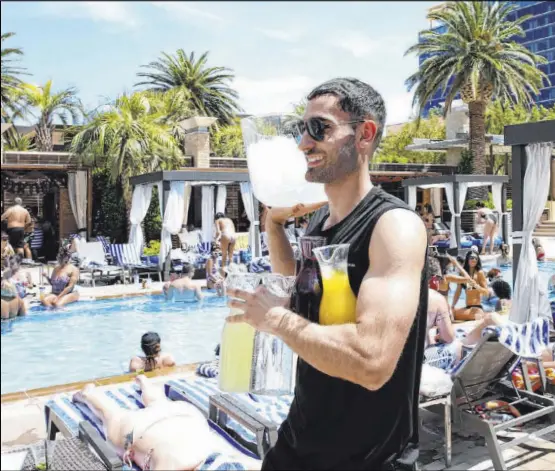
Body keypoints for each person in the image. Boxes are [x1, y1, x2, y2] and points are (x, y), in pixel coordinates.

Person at [226, 78, 427, 470]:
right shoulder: (318, 221)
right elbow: (298, 286)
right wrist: (273, 226)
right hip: (300, 441)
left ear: (364, 134)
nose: (303, 143)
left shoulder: (393, 226)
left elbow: (372, 362)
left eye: (319, 129)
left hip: (366, 458)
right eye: (303, 130)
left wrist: (276, 319)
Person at [72, 375, 245, 470]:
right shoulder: (174, 465)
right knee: (111, 415)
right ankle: (88, 395)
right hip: (141, 429)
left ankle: (146, 384)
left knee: (159, 403)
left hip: (184, 415)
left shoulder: (231, 459)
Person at [451, 251, 490, 321]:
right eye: (472, 258)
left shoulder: (479, 273)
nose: (474, 260)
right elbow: (458, 292)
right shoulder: (463, 274)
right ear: (467, 259)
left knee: (453, 315)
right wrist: (452, 306)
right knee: (449, 313)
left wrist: (476, 286)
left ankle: (478, 316)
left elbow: (486, 292)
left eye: (476, 258)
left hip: (477, 308)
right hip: (468, 308)